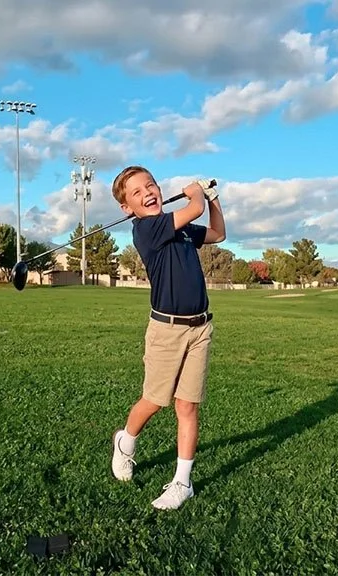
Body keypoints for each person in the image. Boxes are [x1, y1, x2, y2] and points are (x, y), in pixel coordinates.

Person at [108, 165, 226, 510]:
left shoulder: (184, 230)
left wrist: (214, 198)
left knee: (187, 405)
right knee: (155, 399)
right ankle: (125, 442)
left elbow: (218, 234)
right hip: (166, 331)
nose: (148, 192)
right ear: (127, 207)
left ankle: (182, 483)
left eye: (151, 185)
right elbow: (193, 207)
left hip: (200, 327)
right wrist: (197, 194)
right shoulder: (146, 229)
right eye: (137, 192)